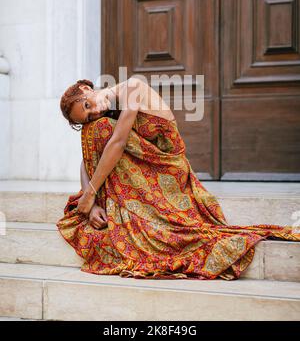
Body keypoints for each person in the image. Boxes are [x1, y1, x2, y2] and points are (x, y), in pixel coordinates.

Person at [57, 77, 300, 280]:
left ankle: (120, 209)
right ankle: (112, 209)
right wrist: (91, 206)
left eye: (88, 105)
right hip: (142, 168)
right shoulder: (102, 118)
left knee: (100, 132)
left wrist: (89, 193)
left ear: (86, 90)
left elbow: (118, 143)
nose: (95, 111)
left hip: (168, 167)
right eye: (88, 115)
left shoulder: (132, 87)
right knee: (95, 131)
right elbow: (88, 159)